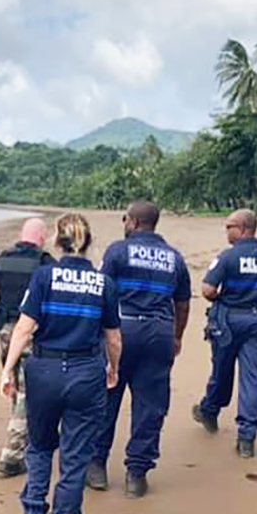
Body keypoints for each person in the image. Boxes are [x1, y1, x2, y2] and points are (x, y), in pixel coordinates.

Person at [0, 213, 121, 514]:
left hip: (44, 372)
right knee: (74, 459)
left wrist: (7, 369)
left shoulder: (44, 276)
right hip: (85, 373)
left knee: (38, 448)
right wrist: (113, 368)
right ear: (88, 243)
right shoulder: (103, 283)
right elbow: (113, 337)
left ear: (57, 242)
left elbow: (24, 328)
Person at [88, 201, 190, 498]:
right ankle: (137, 473)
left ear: (132, 222)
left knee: (106, 395)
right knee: (151, 404)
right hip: (159, 332)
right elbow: (182, 303)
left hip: (122, 329)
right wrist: (177, 336)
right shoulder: (174, 258)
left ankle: (96, 465)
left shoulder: (118, 251)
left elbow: (101, 292)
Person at [191, 209, 257, 459]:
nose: (226, 231)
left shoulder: (228, 257)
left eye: (229, 226)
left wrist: (230, 297)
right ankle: (247, 436)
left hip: (229, 320)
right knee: (252, 378)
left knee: (222, 371)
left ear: (244, 228)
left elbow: (207, 290)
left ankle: (210, 410)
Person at [0, 218, 56, 478]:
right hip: (31, 331)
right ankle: (11, 455)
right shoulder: (45, 263)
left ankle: (22, 433)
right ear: (42, 237)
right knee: (26, 390)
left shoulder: (1, 260)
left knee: (14, 383)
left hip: (5, 331)